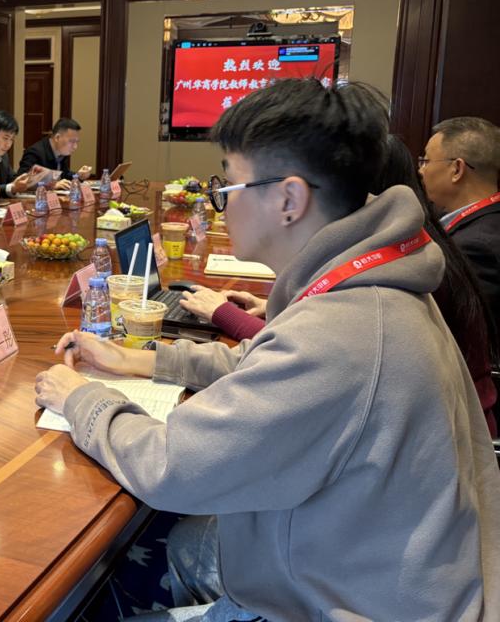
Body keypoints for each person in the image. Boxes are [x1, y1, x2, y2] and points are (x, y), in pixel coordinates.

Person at [35, 79, 500, 621]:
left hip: (341, 600)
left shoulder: (343, 330)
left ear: (288, 199)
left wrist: (80, 398)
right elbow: (268, 364)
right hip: (353, 559)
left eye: (228, 185)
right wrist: (141, 359)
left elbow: (171, 466)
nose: (220, 203)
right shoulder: (373, 286)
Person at [179, 135, 498, 435]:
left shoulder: (392, 278)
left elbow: (311, 356)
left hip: (445, 431)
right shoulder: (413, 250)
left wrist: (225, 314)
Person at [419, 116, 500, 339]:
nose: (421, 171)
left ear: (457, 169)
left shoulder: (477, 247)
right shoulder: (486, 221)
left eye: (426, 161)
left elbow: (463, 333)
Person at [17, 117, 91, 188]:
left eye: (77, 142)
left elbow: (64, 174)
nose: (75, 147)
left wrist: (78, 176)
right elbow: (21, 182)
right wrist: (52, 185)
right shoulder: (35, 153)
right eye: (71, 141)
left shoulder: (61, 151)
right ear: (57, 137)